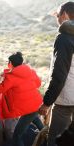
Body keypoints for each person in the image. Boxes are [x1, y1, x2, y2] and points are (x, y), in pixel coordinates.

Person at [0, 52, 43, 146]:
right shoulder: (30, 71)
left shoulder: (11, 77)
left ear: (10, 63)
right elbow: (38, 83)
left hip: (28, 109)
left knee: (17, 136)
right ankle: (51, 142)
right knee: (42, 129)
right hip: (36, 105)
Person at [38, 2, 74, 146]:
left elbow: (59, 75)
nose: (57, 19)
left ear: (64, 15)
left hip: (66, 100)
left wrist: (47, 102)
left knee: (55, 141)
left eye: (58, 16)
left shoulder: (65, 37)